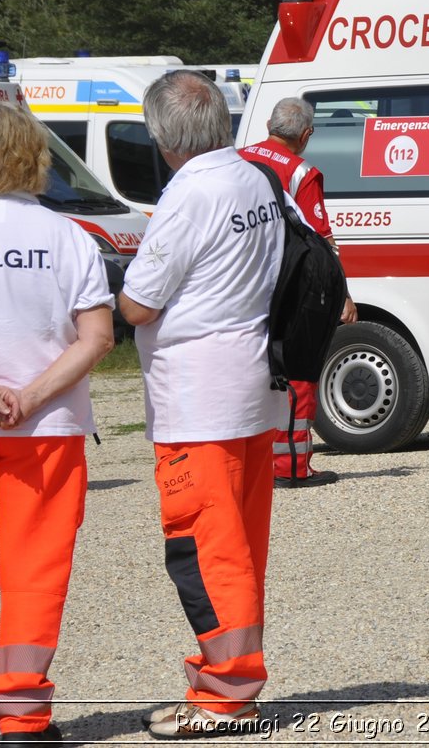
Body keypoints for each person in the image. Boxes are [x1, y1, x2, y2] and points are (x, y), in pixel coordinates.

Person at [0, 100, 114, 744]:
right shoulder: (68, 238)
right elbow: (97, 337)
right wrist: (31, 394)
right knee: (36, 573)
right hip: (46, 429)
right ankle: (23, 717)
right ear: (36, 158)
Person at [118, 70, 285, 737]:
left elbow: (139, 301)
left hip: (196, 397)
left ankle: (226, 694)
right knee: (240, 546)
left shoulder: (188, 195)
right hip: (251, 384)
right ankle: (228, 681)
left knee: (206, 551)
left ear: (162, 138)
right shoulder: (256, 177)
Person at [238, 97, 355, 489]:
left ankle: (248, 464)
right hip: (285, 285)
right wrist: (343, 294)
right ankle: (291, 467)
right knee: (296, 372)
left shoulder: (235, 160)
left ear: (269, 123)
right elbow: (320, 241)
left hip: (237, 283)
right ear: (306, 135)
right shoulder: (301, 172)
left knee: (248, 372)